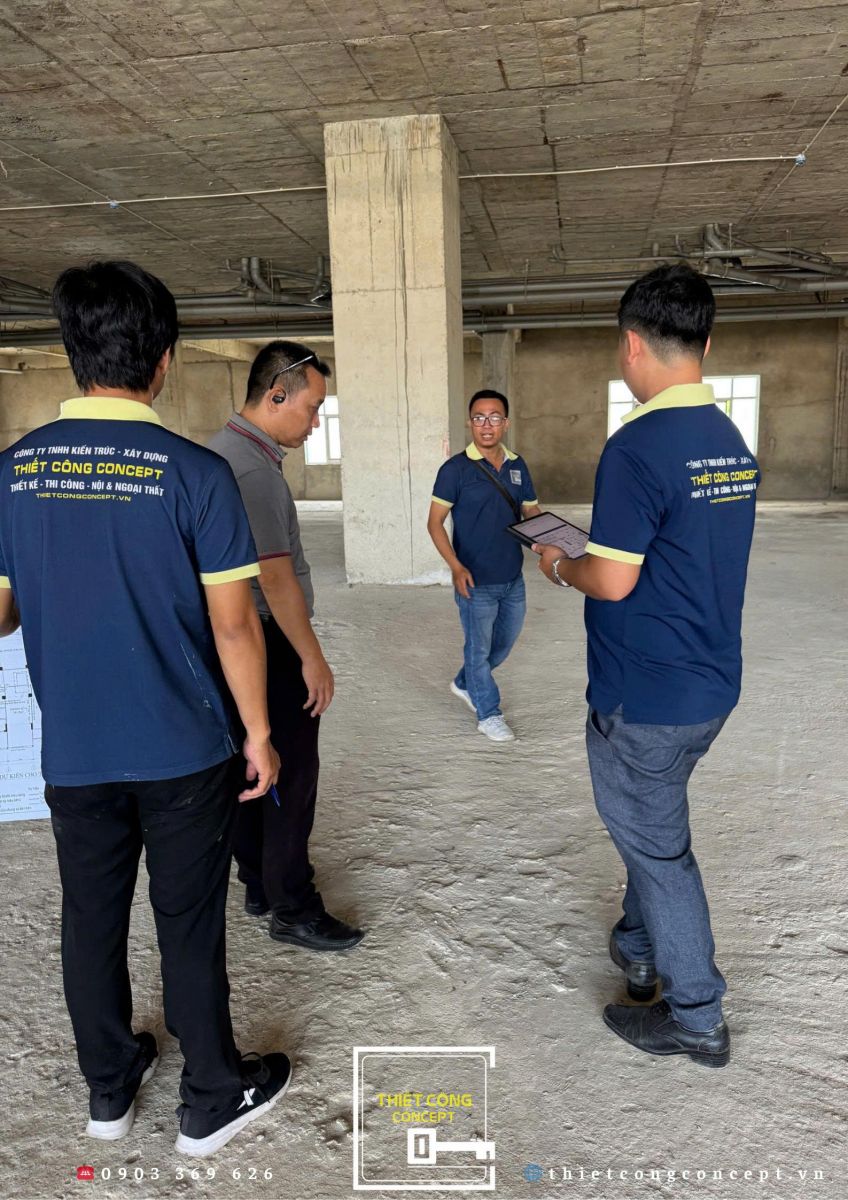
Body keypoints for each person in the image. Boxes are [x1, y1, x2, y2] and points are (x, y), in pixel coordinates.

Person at [0, 261, 291, 1157]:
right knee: (188, 919)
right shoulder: (196, 474)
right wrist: (260, 733)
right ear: (163, 360)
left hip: (75, 748)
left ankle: (109, 1086)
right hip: (182, 747)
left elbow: (2, 613)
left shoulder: (13, 473)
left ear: (71, 353)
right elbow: (235, 627)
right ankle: (210, 1096)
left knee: (89, 915)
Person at [533, 265, 759, 1067]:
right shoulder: (730, 442)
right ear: (707, 343)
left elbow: (613, 578)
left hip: (646, 694)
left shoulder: (636, 448)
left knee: (661, 853)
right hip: (711, 684)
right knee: (653, 819)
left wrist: (561, 564)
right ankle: (636, 943)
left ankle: (696, 1016)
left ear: (632, 345)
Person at [208, 341, 364, 953]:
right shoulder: (252, 472)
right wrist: (312, 657)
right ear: (276, 395)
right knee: (290, 778)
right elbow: (275, 579)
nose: (316, 421)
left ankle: (257, 882)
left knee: (252, 765)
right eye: (312, 407)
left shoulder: (222, 453)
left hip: (237, 638)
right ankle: (293, 907)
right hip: (268, 640)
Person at [428, 389, 541, 742]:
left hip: (512, 576)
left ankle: (465, 682)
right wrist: (455, 567)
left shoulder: (518, 465)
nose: (486, 424)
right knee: (477, 650)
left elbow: (530, 510)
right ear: (470, 423)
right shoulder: (455, 470)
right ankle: (488, 713)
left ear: (505, 423)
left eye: (494, 417)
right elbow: (435, 523)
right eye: (479, 417)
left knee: (502, 645)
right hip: (474, 580)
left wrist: (549, 538)